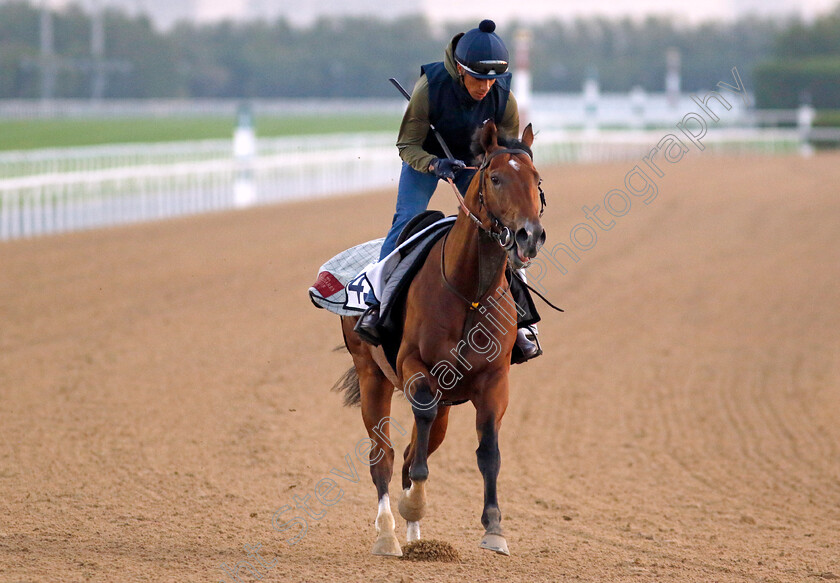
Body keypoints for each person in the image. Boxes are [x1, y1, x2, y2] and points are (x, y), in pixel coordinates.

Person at [356, 19, 541, 362]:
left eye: (491, 80)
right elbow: (406, 144)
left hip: (475, 165)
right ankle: (375, 306)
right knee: (406, 220)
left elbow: (508, 152)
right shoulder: (429, 88)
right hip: (427, 160)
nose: (486, 87)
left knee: (502, 229)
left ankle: (522, 320)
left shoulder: (505, 98)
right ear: (459, 69)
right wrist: (434, 164)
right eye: (478, 79)